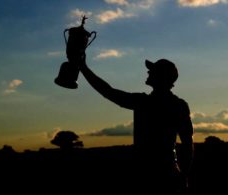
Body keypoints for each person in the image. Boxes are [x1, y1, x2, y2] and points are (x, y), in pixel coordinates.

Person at [77, 55, 194, 192]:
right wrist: (183, 175)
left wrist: (83, 68)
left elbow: (109, 92)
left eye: (152, 70)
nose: (148, 72)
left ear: (161, 77)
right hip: (167, 172)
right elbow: (187, 143)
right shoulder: (178, 105)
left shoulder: (143, 102)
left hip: (147, 174)